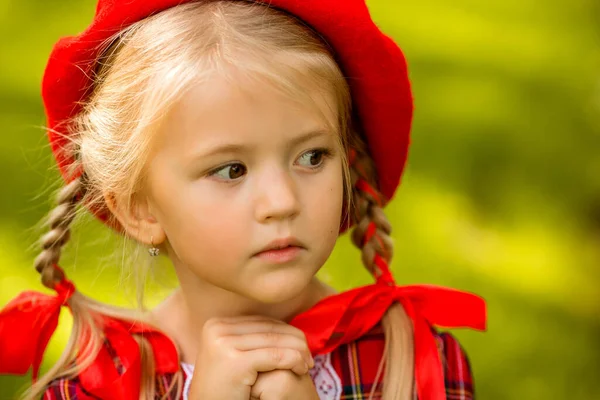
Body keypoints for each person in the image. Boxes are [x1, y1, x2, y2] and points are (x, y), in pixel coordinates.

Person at [0, 0, 487, 399]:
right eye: (231, 170)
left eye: (312, 157)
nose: (281, 201)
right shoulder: (97, 387)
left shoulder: (413, 363)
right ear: (139, 208)